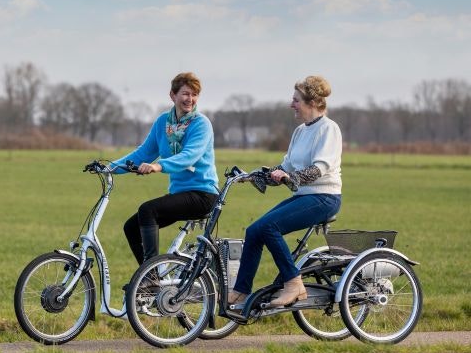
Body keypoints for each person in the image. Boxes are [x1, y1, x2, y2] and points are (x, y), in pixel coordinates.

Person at [228, 75, 342, 307]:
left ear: (311, 103)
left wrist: (292, 177)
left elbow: (320, 168)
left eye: (296, 100)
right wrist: (252, 177)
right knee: (254, 230)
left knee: (270, 227)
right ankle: (241, 292)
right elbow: (285, 168)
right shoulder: (300, 131)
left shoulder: (329, 129)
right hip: (303, 196)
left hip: (324, 197)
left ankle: (293, 283)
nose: (292, 105)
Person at [111, 72, 218, 265]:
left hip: (202, 194)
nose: (190, 99)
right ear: (173, 95)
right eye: (186, 93)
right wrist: (111, 167)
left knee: (148, 210)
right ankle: (150, 279)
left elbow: (189, 156)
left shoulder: (201, 124)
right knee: (131, 227)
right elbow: (144, 153)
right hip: (180, 193)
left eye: (194, 95)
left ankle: (149, 274)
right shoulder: (163, 123)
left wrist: (159, 165)